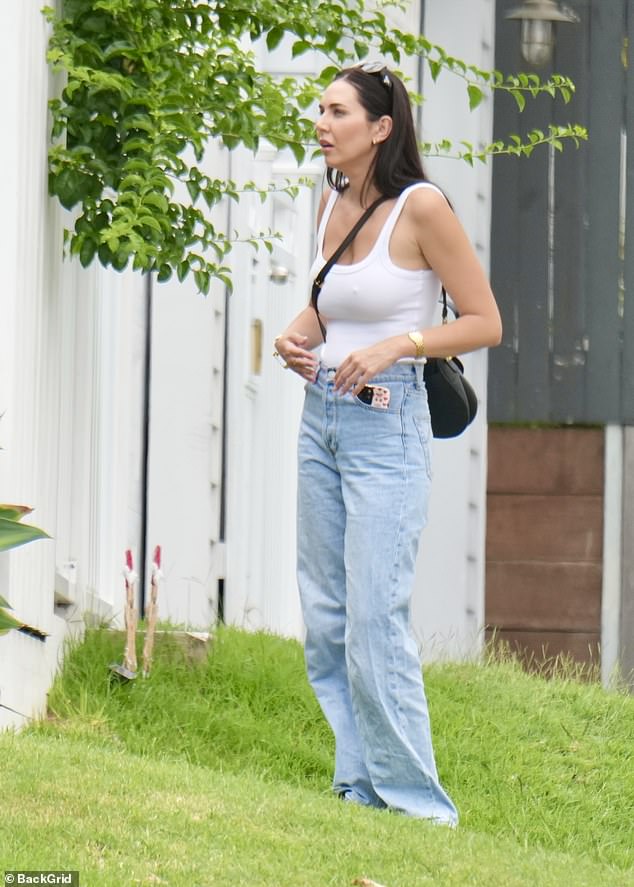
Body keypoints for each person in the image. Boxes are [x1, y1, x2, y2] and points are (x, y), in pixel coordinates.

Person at [273, 63, 502, 826]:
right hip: (322, 421)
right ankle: (359, 785)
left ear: (380, 127)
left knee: (375, 616)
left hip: (387, 426)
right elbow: (327, 310)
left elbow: (484, 321)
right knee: (328, 616)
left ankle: (418, 805)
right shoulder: (331, 199)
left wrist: (399, 345)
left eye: (337, 111)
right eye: (320, 109)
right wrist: (294, 338)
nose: (321, 122)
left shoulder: (421, 206)